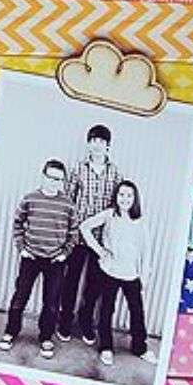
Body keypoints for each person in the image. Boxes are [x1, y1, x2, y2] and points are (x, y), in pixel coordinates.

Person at [0, 159, 77, 360]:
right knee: (20, 297)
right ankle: (11, 331)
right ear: (43, 176)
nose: (54, 182)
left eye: (58, 179)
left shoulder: (67, 204)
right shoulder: (30, 199)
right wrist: (21, 248)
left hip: (55, 260)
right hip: (31, 257)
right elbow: (18, 223)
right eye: (50, 177)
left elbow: (73, 232)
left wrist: (64, 253)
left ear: (63, 181)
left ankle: (46, 337)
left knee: (51, 302)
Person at [79, 180, 159, 367]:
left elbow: (146, 251)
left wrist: (144, 277)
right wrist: (100, 251)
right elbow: (84, 227)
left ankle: (140, 348)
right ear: (116, 197)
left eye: (129, 195)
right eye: (121, 194)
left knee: (137, 312)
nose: (125, 199)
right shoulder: (109, 215)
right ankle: (106, 347)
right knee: (106, 310)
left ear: (135, 199)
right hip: (109, 271)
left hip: (131, 274)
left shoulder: (140, 222)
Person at [58, 124, 123, 344]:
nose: (97, 145)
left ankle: (85, 321)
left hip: (101, 238)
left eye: (101, 141)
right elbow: (68, 200)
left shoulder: (115, 173)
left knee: (94, 283)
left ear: (108, 146)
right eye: (93, 140)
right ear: (88, 144)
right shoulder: (78, 169)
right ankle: (65, 320)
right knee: (71, 279)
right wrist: (67, 230)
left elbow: (116, 207)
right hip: (78, 235)